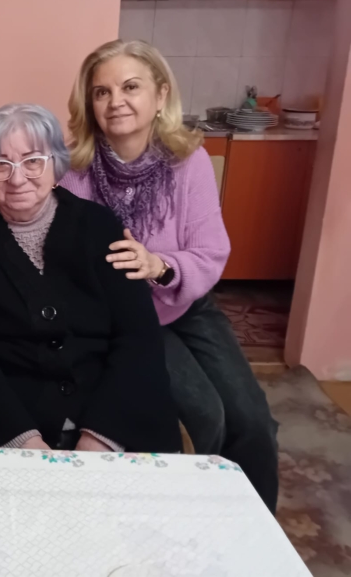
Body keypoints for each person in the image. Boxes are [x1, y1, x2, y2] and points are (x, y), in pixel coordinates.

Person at [60, 39, 279, 511]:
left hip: (187, 302)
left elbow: (210, 251)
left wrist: (158, 265)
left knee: (254, 420)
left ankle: (252, 527)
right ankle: (197, 516)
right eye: (101, 92)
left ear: (160, 95)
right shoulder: (73, 170)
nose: (116, 101)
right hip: (127, 320)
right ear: (89, 103)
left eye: (130, 87)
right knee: (208, 416)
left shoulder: (189, 161)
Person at [0, 103, 182, 454]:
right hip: (12, 427)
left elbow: (138, 334)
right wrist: (22, 439)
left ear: (55, 165)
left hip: (113, 418)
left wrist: (101, 436)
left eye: (32, 161)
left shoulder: (100, 226)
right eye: (1, 164)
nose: (17, 178)